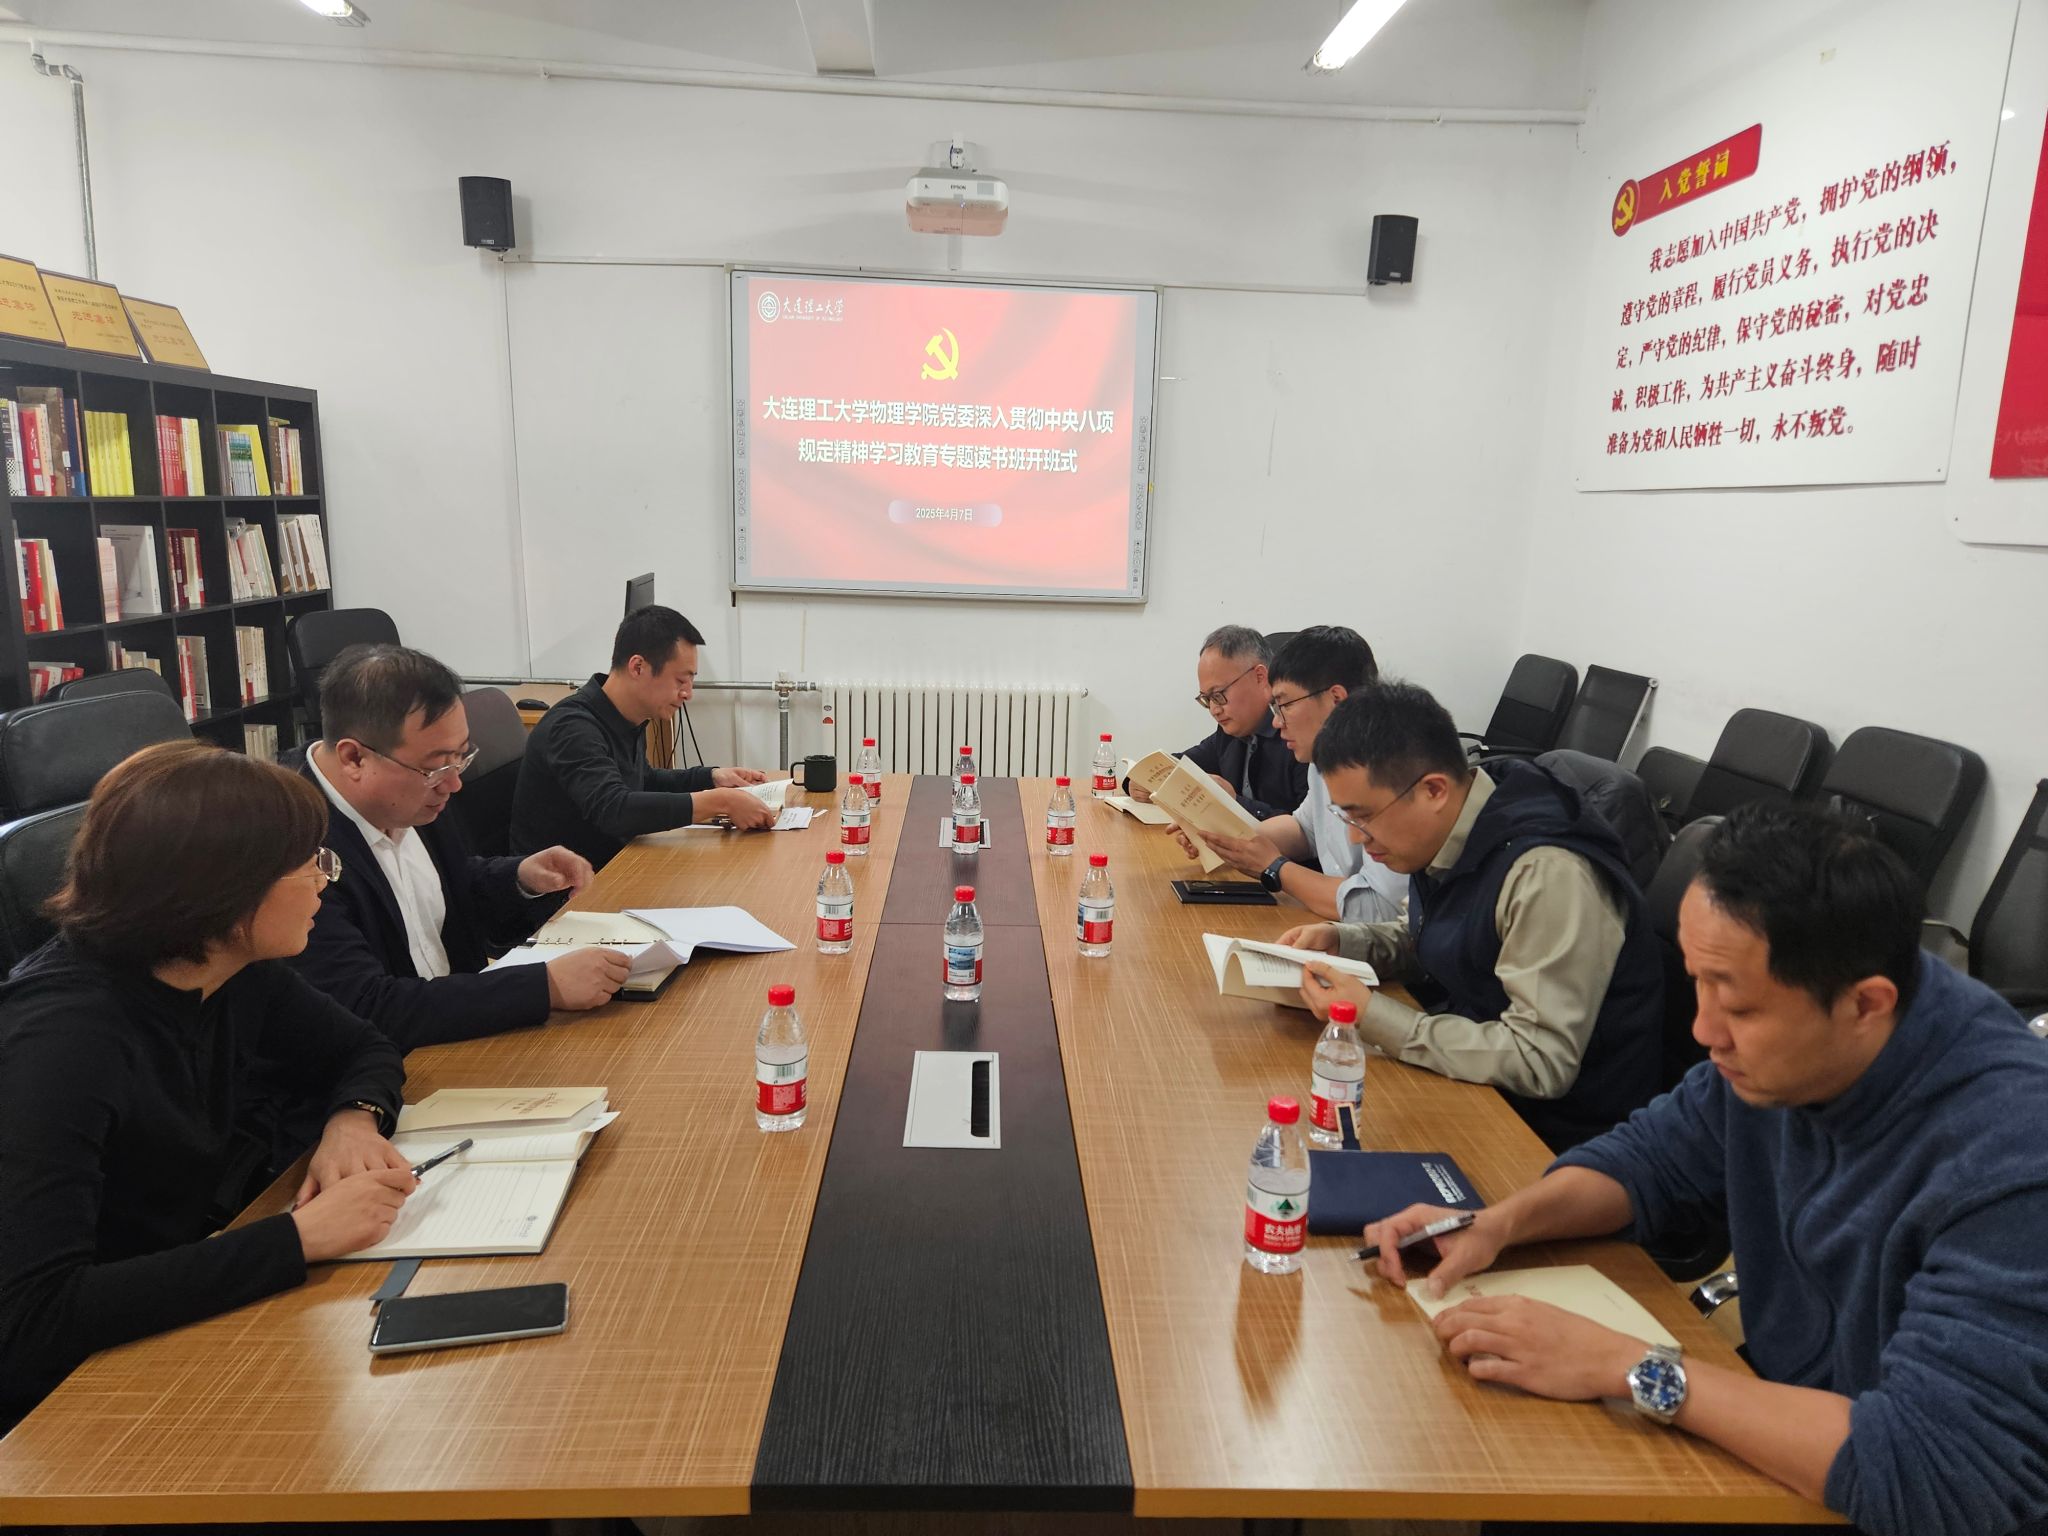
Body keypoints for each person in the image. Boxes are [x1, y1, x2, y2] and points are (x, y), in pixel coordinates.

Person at [1365, 802, 2048, 1536]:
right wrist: (1497, 1225)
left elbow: (1938, 1473)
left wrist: (1628, 1365)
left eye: (1741, 1008)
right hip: (1797, 1418)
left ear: (1865, 1006)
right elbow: (1650, 1159)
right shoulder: (1799, 1037)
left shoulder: (2012, 1157)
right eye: (1699, 982)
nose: (1704, 1030)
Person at [0, 741, 415, 1431]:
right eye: (307, 864)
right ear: (226, 889)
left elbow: (363, 1046)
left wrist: (354, 1119)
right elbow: (32, 1318)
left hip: (184, 1314)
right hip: (77, 1407)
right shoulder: (62, 1043)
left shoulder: (229, 965)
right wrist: (296, 1239)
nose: (324, 881)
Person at [1281, 681, 1662, 1152]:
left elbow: (1540, 1059)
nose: (1357, 838)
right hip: (1482, 1084)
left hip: (1553, 1138)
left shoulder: (1546, 873)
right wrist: (1344, 941)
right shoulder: (1462, 818)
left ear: (1433, 790)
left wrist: (1374, 1016)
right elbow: (1443, 934)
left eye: (1363, 817)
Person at [291, 643, 629, 1052]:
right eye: (437, 767)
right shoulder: (291, 846)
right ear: (354, 758)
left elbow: (442, 889)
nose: (454, 784)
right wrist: (543, 987)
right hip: (394, 1064)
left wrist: (520, 879)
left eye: (461, 757)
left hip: (465, 1035)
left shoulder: (415, 793)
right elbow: (364, 1006)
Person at [511, 605, 777, 869]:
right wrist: (721, 801)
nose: (688, 694)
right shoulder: (572, 727)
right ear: (638, 667)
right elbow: (613, 810)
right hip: (568, 885)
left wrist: (711, 777)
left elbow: (643, 780)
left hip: (613, 865)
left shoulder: (627, 716)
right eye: (681, 681)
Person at [1176, 625, 1407, 923]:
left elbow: (1378, 908)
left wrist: (1275, 868)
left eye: (1284, 705)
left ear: (1336, 699)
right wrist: (1221, 839)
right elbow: (1304, 829)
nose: (1276, 722)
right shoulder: (1323, 762)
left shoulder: (1394, 772)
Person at [1127, 624, 1307, 821]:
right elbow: (1181, 765)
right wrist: (1137, 780)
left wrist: (1233, 803)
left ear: (1259, 677)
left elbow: (1308, 830)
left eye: (1219, 695)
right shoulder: (1231, 734)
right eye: (1207, 699)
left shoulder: (1300, 738)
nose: (1214, 709)